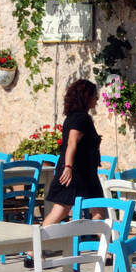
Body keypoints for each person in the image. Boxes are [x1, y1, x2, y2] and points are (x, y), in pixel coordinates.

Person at [41, 79, 104, 226]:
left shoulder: (76, 117)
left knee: (99, 211)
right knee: (61, 210)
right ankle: (34, 247)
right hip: (76, 173)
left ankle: (107, 248)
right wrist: (68, 167)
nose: (97, 99)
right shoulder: (81, 118)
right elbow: (72, 142)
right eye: (95, 96)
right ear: (86, 97)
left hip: (86, 173)